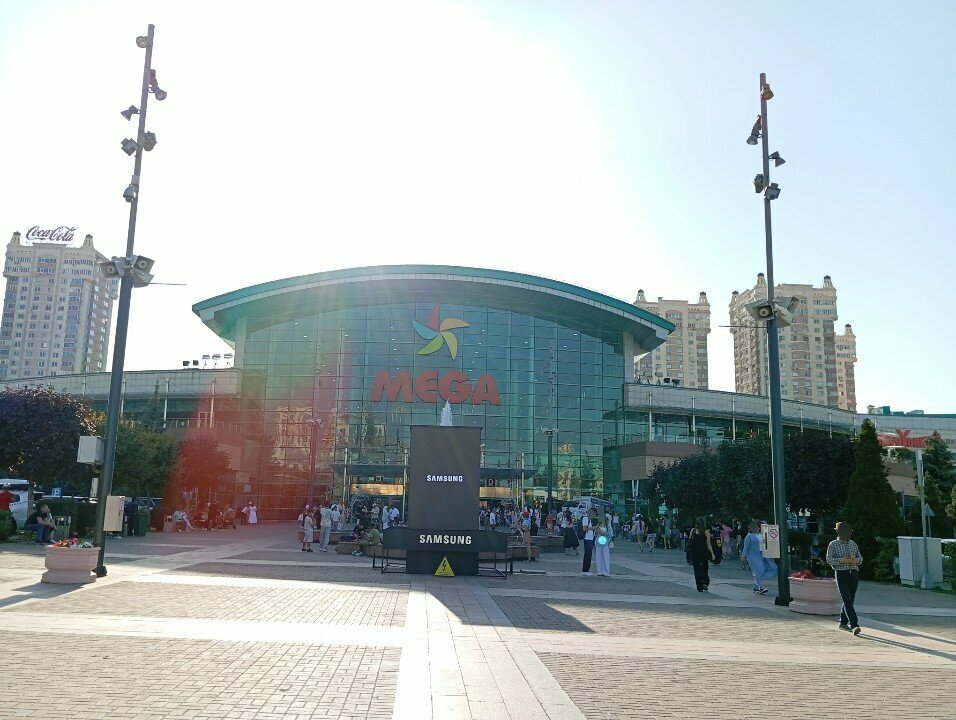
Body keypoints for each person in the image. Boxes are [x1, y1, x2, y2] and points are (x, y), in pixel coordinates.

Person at [827, 521, 864, 635]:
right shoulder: (833, 544)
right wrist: (842, 560)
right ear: (838, 532)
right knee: (847, 599)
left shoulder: (853, 543)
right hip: (841, 573)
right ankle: (854, 625)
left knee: (850, 599)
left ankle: (843, 622)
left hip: (853, 573)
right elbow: (829, 560)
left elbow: (860, 558)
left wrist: (855, 560)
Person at [741, 521, 771, 594]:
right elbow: (746, 547)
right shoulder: (749, 536)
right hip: (752, 556)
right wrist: (743, 556)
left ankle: (756, 586)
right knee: (758, 570)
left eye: (757, 527)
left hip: (761, 554)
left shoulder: (761, 535)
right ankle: (760, 587)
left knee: (761, 570)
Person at [687, 519, 715, 591]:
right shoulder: (706, 531)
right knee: (705, 569)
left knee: (697, 570)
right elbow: (708, 544)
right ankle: (705, 582)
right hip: (703, 553)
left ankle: (699, 586)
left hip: (695, 553)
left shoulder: (693, 530)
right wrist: (712, 554)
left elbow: (690, 541)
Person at [581, 511, 596, 575]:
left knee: (589, 554)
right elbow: (584, 529)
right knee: (587, 554)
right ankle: (585, 570)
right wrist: (592, 528)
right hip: (587, 538)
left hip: (590, 538)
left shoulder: (590, 520)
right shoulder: (585, 518)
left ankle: (587, 570)